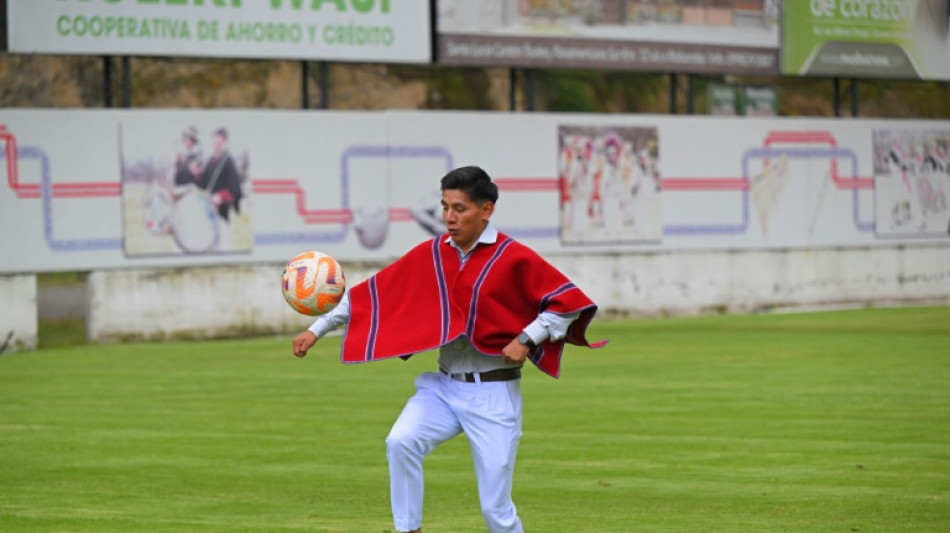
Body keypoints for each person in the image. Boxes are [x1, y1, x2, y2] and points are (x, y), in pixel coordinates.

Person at [292, 165, 605, 533]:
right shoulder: (433, 253)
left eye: (460, 208)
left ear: (486, 210)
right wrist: (316, 329)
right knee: (401, 441)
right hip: (442, 388)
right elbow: (372, 297)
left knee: (496, 512)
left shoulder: (512, 256)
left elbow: (567, 304)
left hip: (493, 394)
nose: (449, 218)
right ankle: (408, 529)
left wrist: (527, 338)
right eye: (444, 207)